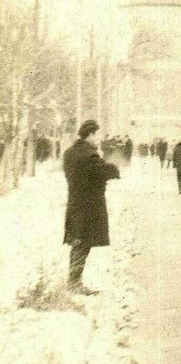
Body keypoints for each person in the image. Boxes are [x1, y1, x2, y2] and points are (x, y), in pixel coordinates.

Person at [63, 120, 121, 295]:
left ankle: (74, 281)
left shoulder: (69, 153)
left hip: (75, 203)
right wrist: (114, 167)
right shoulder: (89, 154)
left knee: (78, 242)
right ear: (90, 135)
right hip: (88, 206)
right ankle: (74, 282)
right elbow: (105, 171)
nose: (99, 138)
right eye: (97, 134)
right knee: (83, 243)